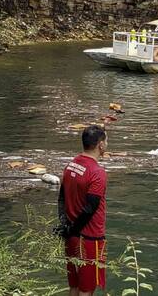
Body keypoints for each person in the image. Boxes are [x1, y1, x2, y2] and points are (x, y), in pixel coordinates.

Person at [58, 125, 108, 296]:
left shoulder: (71, 165)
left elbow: (62, 198)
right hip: (90, 239)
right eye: (106, 140)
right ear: (100, 144)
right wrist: (73, 229)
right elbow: (90, 208)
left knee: (74, 286)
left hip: (71, 236)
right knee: (87, 290)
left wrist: (66, 225)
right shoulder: (97, 172)